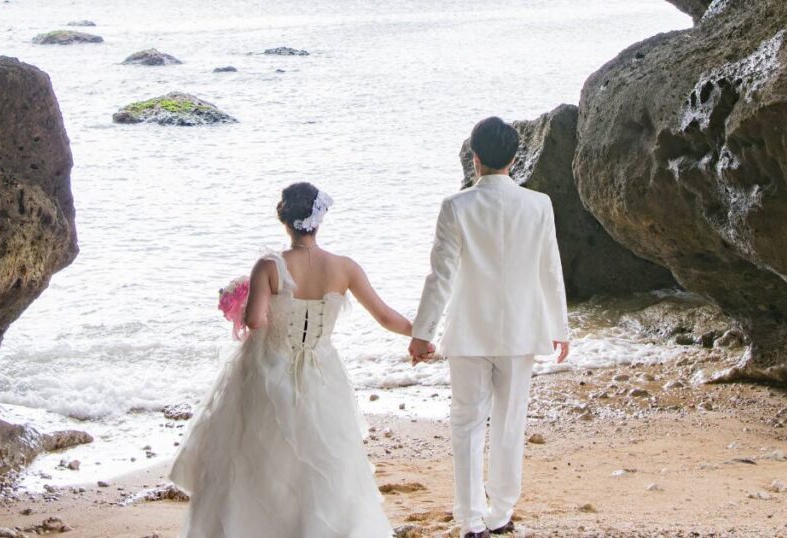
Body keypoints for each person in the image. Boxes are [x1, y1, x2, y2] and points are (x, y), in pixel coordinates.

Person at [170, 182, 412, 537]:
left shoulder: (269, 265)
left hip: (269, 370)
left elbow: (255, 322)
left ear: (284, 219)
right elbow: (386, 316)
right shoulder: (344, 268)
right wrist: (421, 336)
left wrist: (245, 300)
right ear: (319, 219)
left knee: (258, 459)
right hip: (321, 374)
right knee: (322, 462)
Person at [410, 117, 570, 538]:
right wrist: (560, 326)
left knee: (465, 424)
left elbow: (440, 276)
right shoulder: (539, 204)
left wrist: (422, 332)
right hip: (520, 330)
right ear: (514, 159)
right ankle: (500, 512)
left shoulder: (456, 206)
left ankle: (470, 520)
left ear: (474, 158)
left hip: (468, 331)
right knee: (509, 421)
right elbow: (549, 270)